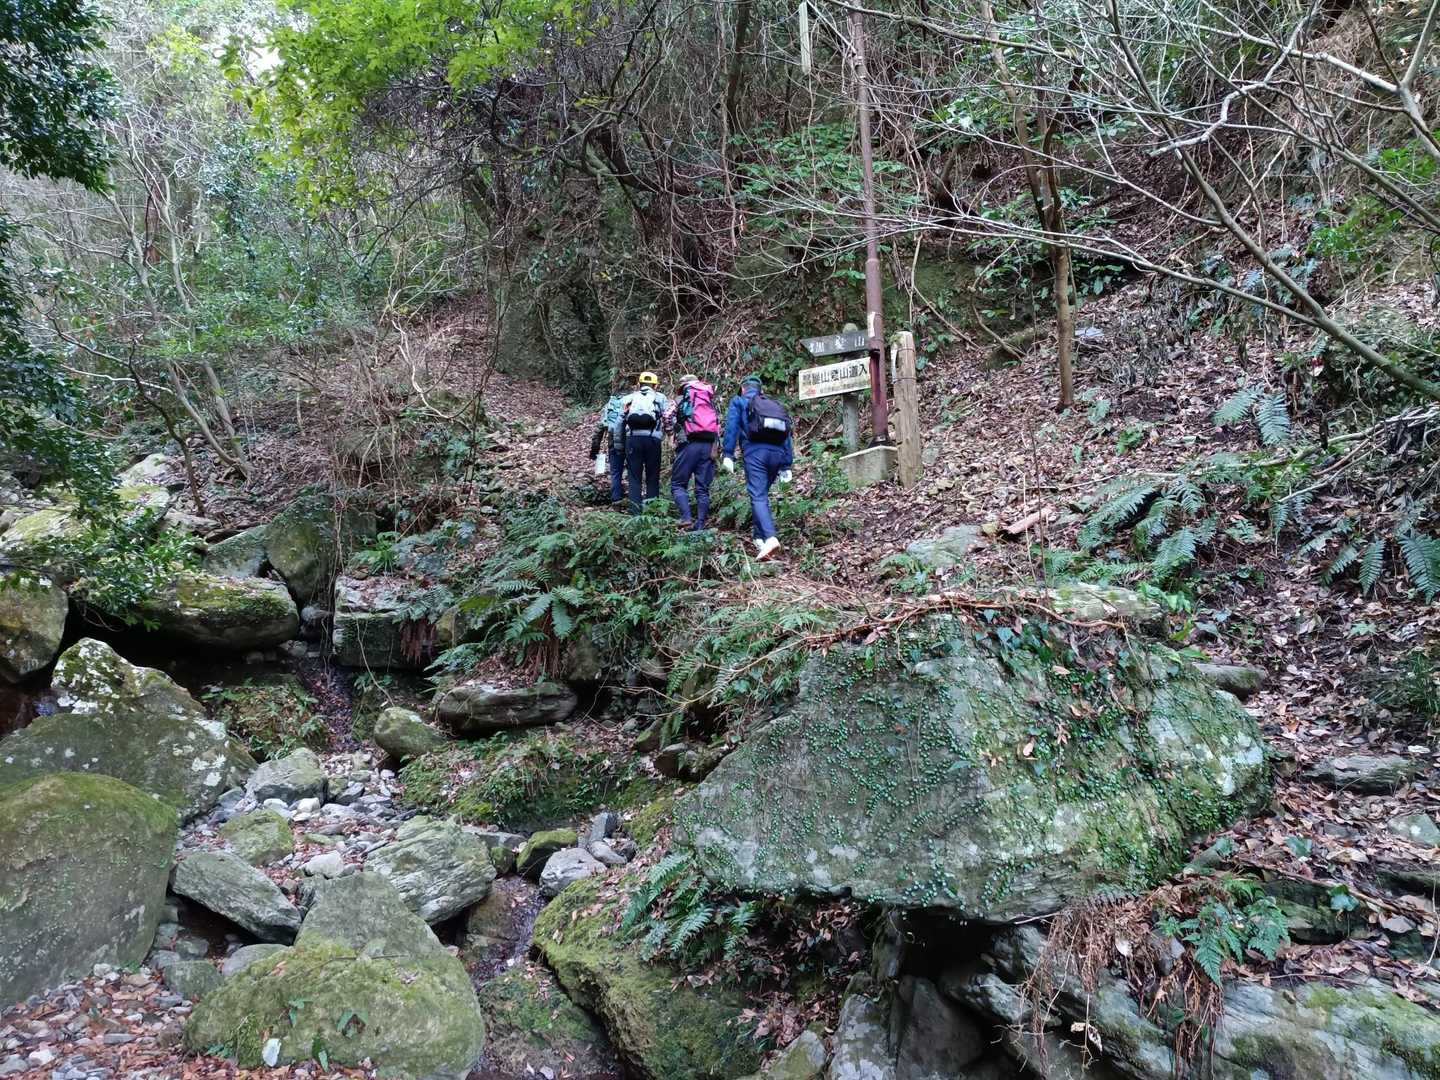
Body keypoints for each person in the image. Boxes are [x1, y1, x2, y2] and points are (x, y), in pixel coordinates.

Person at [721, 374, 793, 560]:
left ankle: (770, 538)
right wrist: (786, 464)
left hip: (755, 454)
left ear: (743, 388)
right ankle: (759, 538)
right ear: (761, 390)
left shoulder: (739, 401)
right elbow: (787, 435)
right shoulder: (774, 405)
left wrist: (728, 454)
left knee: (758, 496)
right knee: (761, 495)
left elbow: (732, 427)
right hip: (777, 455)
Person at [667, 373, 719, 531]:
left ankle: (686, 518)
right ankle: (700, 524)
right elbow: (718, 424)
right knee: (702, 488)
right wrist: (716, 446)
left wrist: (670, 434)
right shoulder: (709, 400)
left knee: (678, 484)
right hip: (708, 445)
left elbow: (667, 415)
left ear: (682, 387)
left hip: (688, 445)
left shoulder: (680, 399)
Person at [619, 371, 668, 514]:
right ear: (655, 385)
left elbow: (620, 420)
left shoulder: (629, 398)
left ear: (639, 384)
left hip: (633, 439)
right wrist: (670, 434)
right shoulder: (660, 398)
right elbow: (667, 417)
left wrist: (619, 444)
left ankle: (635, 513)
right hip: (653, 440)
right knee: (653, 476)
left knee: (634, 477)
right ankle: (652, 512)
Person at [589, 380, 628, 505]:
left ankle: (616, 499)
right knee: (634, 471)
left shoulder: (610, 405)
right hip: (631, 440)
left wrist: (594, 450)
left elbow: (600, 428)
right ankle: (635, 501)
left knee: (615, 472)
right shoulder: (634, 401)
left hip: (613, 440)